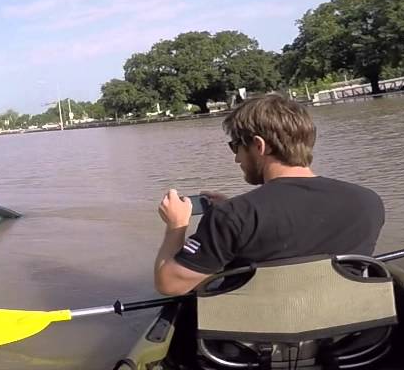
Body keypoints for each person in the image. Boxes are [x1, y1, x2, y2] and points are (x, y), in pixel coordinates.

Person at [152, 94, 384, 296]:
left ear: (259, 146)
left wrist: (176, 225)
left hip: (256, 343)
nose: (236, 159)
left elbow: (170, 285)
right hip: (348, 338)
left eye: (236, 147)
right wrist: (230, 214)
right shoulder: (368, 202)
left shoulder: (232, 217)